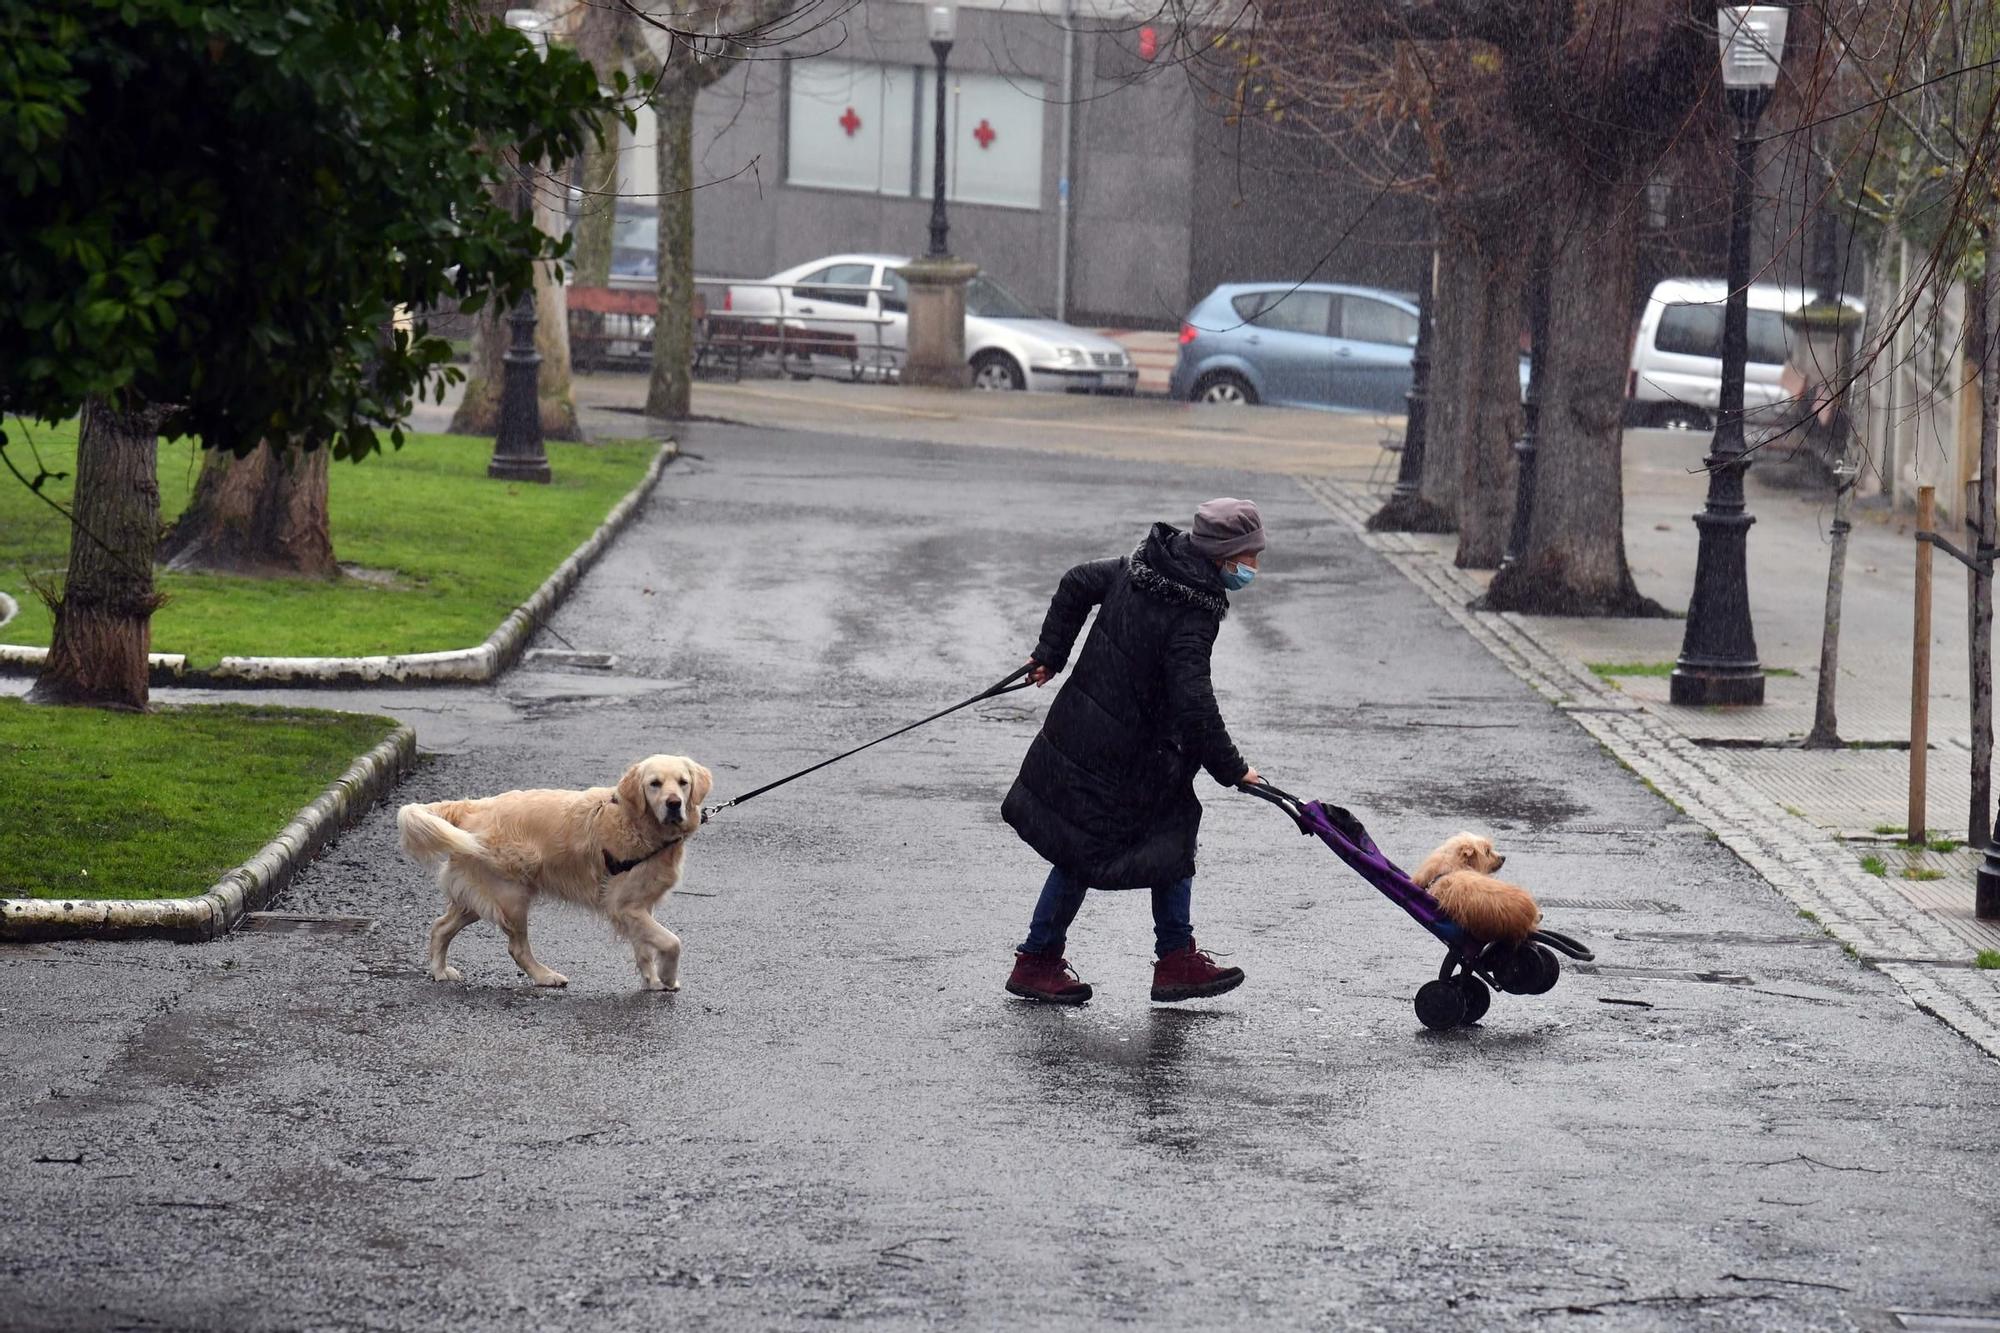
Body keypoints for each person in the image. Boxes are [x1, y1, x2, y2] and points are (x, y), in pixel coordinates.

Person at [1000, 497, 1266, 1005]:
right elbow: (1194, 701)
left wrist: (1050, 654)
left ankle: (1153, 959)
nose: (1254, 569)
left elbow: (1078, 580)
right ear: (1224, 556)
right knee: (1134, 842)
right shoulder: (1192, 608)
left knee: (1109, 841)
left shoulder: (1141, 566)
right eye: (1250, 558)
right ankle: (1152, 962)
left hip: (1091, 733)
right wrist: (1234, 769)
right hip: (1125, 752)